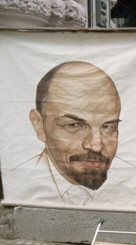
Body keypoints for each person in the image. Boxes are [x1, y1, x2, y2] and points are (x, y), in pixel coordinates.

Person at [26, 61, 121, 205]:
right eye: (74, 125)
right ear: (39, 125)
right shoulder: (22, 183)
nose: (96, 145)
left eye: (107, 126)